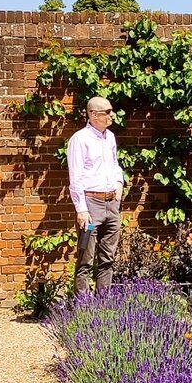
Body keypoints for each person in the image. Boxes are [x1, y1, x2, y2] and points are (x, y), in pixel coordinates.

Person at [67, 96, 124, 293]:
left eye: (111, 111)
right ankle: (82, 308)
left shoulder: (110, 137)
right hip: (91, 204)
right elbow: (75, 177)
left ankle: (103, 305)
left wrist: (118, 183)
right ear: (93, 114)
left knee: (108, 257)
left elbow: (114, 164)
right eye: (107, 112)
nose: (111, 115)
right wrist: (81, 209)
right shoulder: (80, 139)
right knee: (86, 258)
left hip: (111, 204)